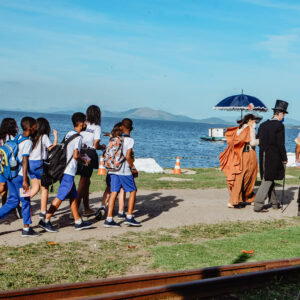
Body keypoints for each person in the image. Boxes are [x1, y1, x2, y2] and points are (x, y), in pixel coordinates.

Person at [38, 112, 93, 232]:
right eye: (85, 122)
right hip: (69, 171)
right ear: (82, 123)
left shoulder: (69, 134)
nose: (86, 124)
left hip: (63, 169)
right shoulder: (78, 137)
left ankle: (78, 221)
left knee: (73, 196)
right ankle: (45, 220)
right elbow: (75, 155)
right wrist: (84, 160)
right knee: (61, 196)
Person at [0, 117, 40, 237]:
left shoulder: (17, 138)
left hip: (10, 175)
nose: (36, 128)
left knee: (12, 201)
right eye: (34, 127)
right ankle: (26, 229)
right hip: (21, 177)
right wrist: (25, 180)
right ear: (29, 128)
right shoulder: (28, 142)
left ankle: (26, 227)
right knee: (26, 201)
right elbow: (25, 159)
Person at [104, 118, 141, 227]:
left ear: (121, 127)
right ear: (132, 128)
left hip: (113, 169)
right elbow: (128, 156)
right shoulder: (130, 140)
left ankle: (109, 219)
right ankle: (129, 216)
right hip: (124, 170)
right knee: (133, 190)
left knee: (114, 192)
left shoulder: (116, 138)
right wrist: (133, 168)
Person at [254, 100, 288, 212]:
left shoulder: (263, 125)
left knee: (269, 178)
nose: (283, 117)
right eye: (283, 114)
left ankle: (274, 203)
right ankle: (258, 205)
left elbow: (258, 140)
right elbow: (280, 144)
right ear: (280, 113)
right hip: (273, 157)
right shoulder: (279, 126)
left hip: (263, 155)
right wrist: (284, 158)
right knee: (268, 179)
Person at [220, 114, 260, 208]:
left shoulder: (239, 129)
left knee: (239, 176)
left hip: (239, 154)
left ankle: (245, 198)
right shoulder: (250, 129)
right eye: (254, 121)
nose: (255, 123)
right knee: (249, 176)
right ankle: (237, 199)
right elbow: (253, 142)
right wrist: (261, 140)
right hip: (249, 154)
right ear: (250, 120)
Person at [76, 105, 105, 217]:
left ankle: (87, 208)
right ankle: (75, 209)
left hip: (80, 151)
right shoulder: (97, 127)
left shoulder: (83, 124)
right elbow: (96, 145)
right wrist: (102, 147)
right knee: (83, 182)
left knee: (86, 182)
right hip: (89, 153)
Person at [96, 122, 126, 220]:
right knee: (121, 189)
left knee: (109, 188)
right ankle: (121, 211)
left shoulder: (112, 140)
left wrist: (110, 135)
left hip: (110, 168)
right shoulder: (123, 140)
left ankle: (103, 206)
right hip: (120, 169)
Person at [29, 117, 58, 219]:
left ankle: (20, 202)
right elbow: (52, 149)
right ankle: (43, 211)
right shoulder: (44, 136)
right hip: (39, 164)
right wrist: (55, 137)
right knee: (44, 188)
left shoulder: (32, 137)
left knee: (35, 188)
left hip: (30, 164)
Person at [0, 118, 19, 206]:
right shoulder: (11, 138)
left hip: (6, 165)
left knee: (4, 187)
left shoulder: (11, 137)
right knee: (3, 186)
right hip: (5, 166)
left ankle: (4, 206)